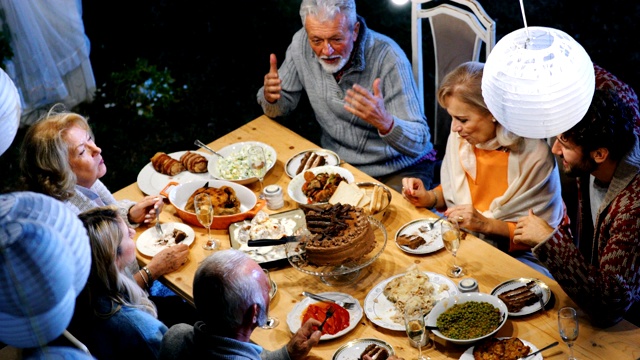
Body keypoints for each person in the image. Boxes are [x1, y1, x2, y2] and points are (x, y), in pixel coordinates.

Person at [19, 104, 194, 327]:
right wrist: (153, 270)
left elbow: (102, 211)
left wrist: (130, 213)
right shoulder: (72, 227)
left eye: (90, 139)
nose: (97, 149)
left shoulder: (81, 184)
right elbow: (106, 302)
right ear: (59, 170)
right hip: (124, 316)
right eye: (82, 151)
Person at [401, 62, 564, 276]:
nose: (454, 128)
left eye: (462, 119)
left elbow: (540, 237)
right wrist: (430, 197)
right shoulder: (461, 139)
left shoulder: (534, 155)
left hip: (519, 256)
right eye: (451, 117)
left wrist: (486, 225)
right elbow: (456, 193)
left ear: (492, 113)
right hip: (465, 241)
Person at [257, 0, 436, 193]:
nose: (326, 51)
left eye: (336, 39)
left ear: (355, 30)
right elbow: (278, 108)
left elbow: (419, 142)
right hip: (340, 164)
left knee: (375, 218)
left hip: (400, 168)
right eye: (317, 40)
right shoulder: (301, 44)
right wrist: (271, 98)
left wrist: (386, 122)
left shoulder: (389, 57)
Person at [514, 88, 640, 327]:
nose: (554, 149)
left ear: (600, 154)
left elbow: (611, 304)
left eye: (564, 143)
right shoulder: (596, 163)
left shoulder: (633, 207)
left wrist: (549, 241)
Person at [159, 249, 322, 360]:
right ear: (254, 313)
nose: (268, 292)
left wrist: (287, 354)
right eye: (266, 289)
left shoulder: (175, 336)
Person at [71, 206, 167, 358]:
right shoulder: (144, 330)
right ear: (113, 256)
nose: (133, 232)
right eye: (127, 234)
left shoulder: (77, 291)